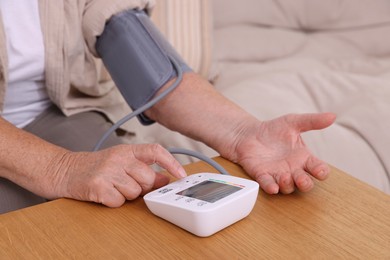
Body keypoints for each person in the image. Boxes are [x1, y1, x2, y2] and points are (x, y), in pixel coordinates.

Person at [0, 0, 336, 214]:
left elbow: (140, 58)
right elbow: (64, 171)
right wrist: (64, 170)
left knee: (125, 210)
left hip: (53, 109)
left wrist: (243, 132)